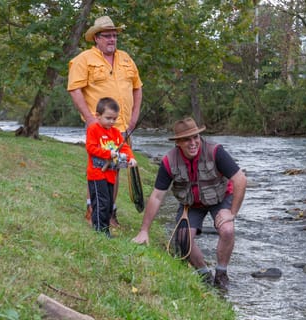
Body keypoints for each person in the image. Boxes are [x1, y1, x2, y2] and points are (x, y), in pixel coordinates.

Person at [132, 117, 247, 291]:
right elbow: (156, 196)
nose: (193, 143)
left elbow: (240, 179)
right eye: (187, 139)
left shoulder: (215, 151)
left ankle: (221, 273)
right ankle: (204, 274)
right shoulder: (168, 161)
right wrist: (144, 230)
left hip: (220, 198)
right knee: (183, 239)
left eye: (196, 137)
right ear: (178, 142)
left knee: (228, 230)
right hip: (191, 204)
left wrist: (232, 213)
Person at [67, 15, 143, 227]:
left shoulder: (126, 59)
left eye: (114, 36)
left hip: (125, 126)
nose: (112, 39)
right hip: (99, 126)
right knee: (100, 166)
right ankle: (94, 210)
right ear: (96, 38)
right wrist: (91, 120)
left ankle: (110, 212)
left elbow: (138, 88)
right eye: (107, 36)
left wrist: (135, 117)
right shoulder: (84, 59)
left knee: (116, 167)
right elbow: (74, 89)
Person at [86, 97, 137, 238]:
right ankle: (99, 230)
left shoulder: (115, 133)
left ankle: (105, 229)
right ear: (98, 116)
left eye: (114, 119)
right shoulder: (93, 129)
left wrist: (131, 157)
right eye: (108, 118)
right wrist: (108, 153)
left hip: (110, 175)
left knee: (108, 203)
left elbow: (124, 147)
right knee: (101, 202)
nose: (112, 122)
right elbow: (90, 148)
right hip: (97, 174)